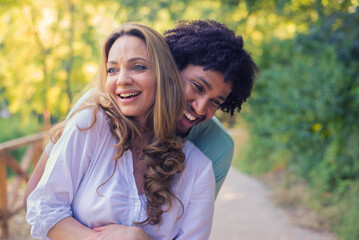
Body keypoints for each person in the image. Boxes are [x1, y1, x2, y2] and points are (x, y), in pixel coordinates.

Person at [26, 23, 215, 240]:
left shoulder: (198, 170)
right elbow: (43, 208)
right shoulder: (89, 125)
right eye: (112, 69)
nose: (122, 79)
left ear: (164, 76)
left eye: (138, 67)